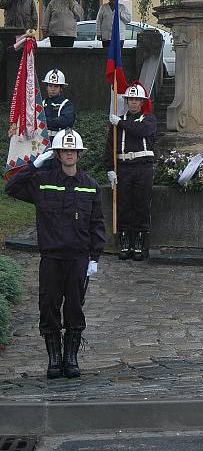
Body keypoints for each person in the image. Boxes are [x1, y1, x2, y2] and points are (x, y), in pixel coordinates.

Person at [5, 128, 105, 379]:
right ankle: (54, 357)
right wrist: (34, 165)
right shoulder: (43, 182)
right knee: (48, 307)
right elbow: (12, 188)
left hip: (78, 258)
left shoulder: (90, 186)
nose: (69, 154)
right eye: (64, 150)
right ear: (57, 153)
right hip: (51, 257)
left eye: (73, 150)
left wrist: (95, 257)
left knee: (74, 307)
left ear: (79, 154)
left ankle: (71, 357)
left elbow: (97, 225)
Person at [105, 81, 157, 261]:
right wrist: (110, 170)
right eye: (131, 99)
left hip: (143, 167)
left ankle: (140, 243)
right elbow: (109, 148)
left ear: (142, 102)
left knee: (141, 204)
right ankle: (125, 241)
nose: (133, 103)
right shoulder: (116, 122)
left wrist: (121, 122)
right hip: (124, 167)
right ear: (126, 101)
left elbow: (142, 131)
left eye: (137, 100)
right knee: (124, 204)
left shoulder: (149, 119)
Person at [41, 69, 75, 141]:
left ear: (61, 88)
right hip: (42, 141)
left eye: (56, 86)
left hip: (59, 141)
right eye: (50, 86)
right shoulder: (42, 103)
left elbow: (65, 121)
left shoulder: (67, 104)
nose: (53, 89)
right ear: (46, 87)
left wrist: (43, 121)